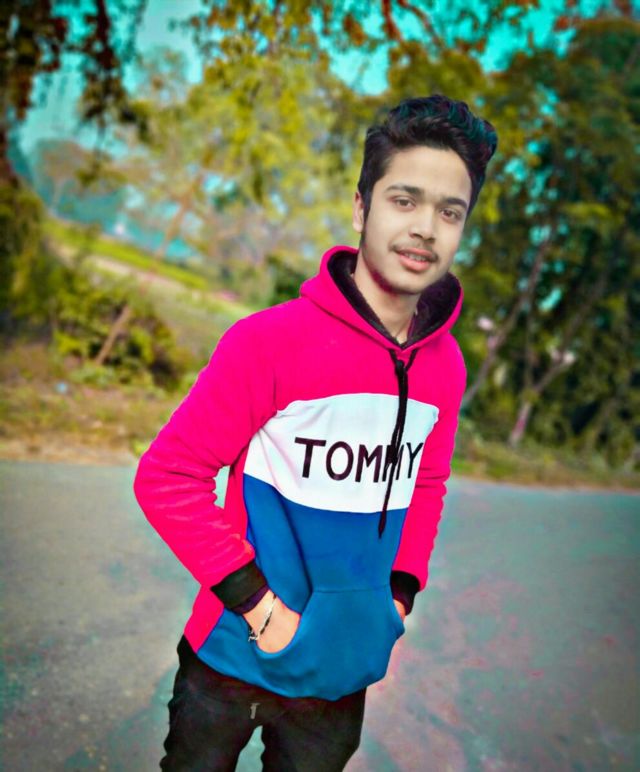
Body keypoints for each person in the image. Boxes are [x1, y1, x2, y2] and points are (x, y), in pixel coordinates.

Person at [134, 94, 497, 771]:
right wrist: (258, 608)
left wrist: (399, 594)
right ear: (362, 208)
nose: (425, 228)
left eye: (450, 212)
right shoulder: (270, 342)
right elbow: (168, 478)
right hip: (233, 655)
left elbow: (427, 482)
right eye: (405, 200)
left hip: (341, 672)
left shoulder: (445, 365)